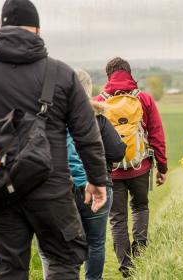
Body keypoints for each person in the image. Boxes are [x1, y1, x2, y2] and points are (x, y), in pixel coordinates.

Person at [0, 1, 108, 279]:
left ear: (1, 27)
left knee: (9, 271)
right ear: (37, 28)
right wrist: (96, 180)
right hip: (52, 190)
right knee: (63, 262)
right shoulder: (62, 74)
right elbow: (87, 134)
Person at [38, 69, 126, 280]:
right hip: (97, 188)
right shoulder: (98, 117)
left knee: (51, 244)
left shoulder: (50, 116)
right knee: (95, 242)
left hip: (59, 191)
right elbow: (118, 151)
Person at [94, 57, 168, 278]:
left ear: (108, 76)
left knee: (117, 217)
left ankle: (126, 268)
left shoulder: (98, 102)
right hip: (140, 166)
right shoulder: (144, 99)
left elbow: (90, 140)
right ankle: (141, 253)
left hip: (112, 170)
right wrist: (162, 167)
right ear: (130, 73)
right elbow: (156, 135)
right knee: (140, 208)